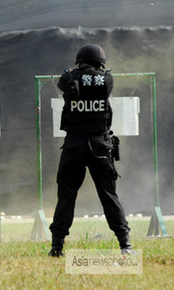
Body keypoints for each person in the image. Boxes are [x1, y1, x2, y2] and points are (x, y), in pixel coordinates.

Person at [48, 44, 132, 257]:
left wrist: (72, 73)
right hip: (100, 145)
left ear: (80, 61)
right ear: (100, 62)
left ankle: (57, 247)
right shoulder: (107, 80)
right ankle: (125, 245)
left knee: (66, 196)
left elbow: (63, 81)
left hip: (74, 145)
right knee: (109, 195)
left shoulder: (68, 79)